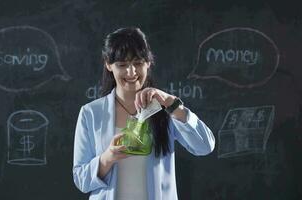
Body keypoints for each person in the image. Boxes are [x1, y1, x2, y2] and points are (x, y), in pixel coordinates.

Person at [73, 27, 215, 200]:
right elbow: (81, 180)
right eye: (122, 65)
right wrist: (107, 157)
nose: (131, 72)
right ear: (108, 65)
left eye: (138, 63)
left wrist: (171, 103)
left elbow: (205, 146)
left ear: (148, 62)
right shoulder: (91, 113)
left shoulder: (165, 108)